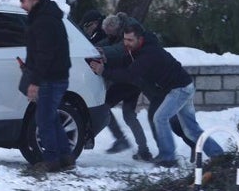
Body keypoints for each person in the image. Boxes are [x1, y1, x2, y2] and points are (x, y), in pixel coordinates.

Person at [90, 23, 224, 167]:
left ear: (139, 39)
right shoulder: (138, 48)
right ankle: (218, 155)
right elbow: (126, 62)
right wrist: (107, 61)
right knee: (191, 129)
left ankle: (168, 158)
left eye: (130, 40)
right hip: (183, 86)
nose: (126, 43)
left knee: (160, 118)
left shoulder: (149, 53)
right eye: (125, 39)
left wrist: (104, 71)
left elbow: (130, 74)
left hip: (179, 89)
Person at [19, 0, 73, 172]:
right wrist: (29, 68)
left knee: (43, 120)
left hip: (50, 79)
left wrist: (35, 82)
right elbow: (40, 52)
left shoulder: (43, 21)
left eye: (23, 0)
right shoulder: (45, 18)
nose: (21, 5)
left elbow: (45, 54)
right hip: (55, 76)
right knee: (51, 118)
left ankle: (51, 161)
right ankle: (66, 157)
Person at [98, 13, 152, 161]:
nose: (108, 36)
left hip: (126, 80)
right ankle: (144, 150)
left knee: (104, 106)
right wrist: (93, 47)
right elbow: (109, 43)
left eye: (110, 33)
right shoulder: (121, 30)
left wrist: (100, 51)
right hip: (133, 81)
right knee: (128, 114)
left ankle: (121, 139)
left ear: (115, 29)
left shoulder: (128, 34)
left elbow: (119, 49)